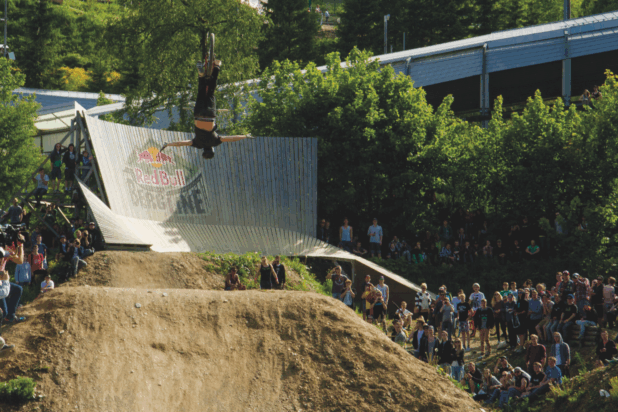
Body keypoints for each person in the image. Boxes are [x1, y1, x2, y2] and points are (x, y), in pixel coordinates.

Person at [161, 53, 252, 159]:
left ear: (212, 149)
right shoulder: (198, 144)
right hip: (198, 116)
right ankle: (201, 75)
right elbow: (182, 143)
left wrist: (245, 136)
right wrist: (168, 144)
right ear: (204, 150)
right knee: (200, 93)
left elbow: (230, 138)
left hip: (210, 117)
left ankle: (217, 66)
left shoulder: (215, 142)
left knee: (211, 92)